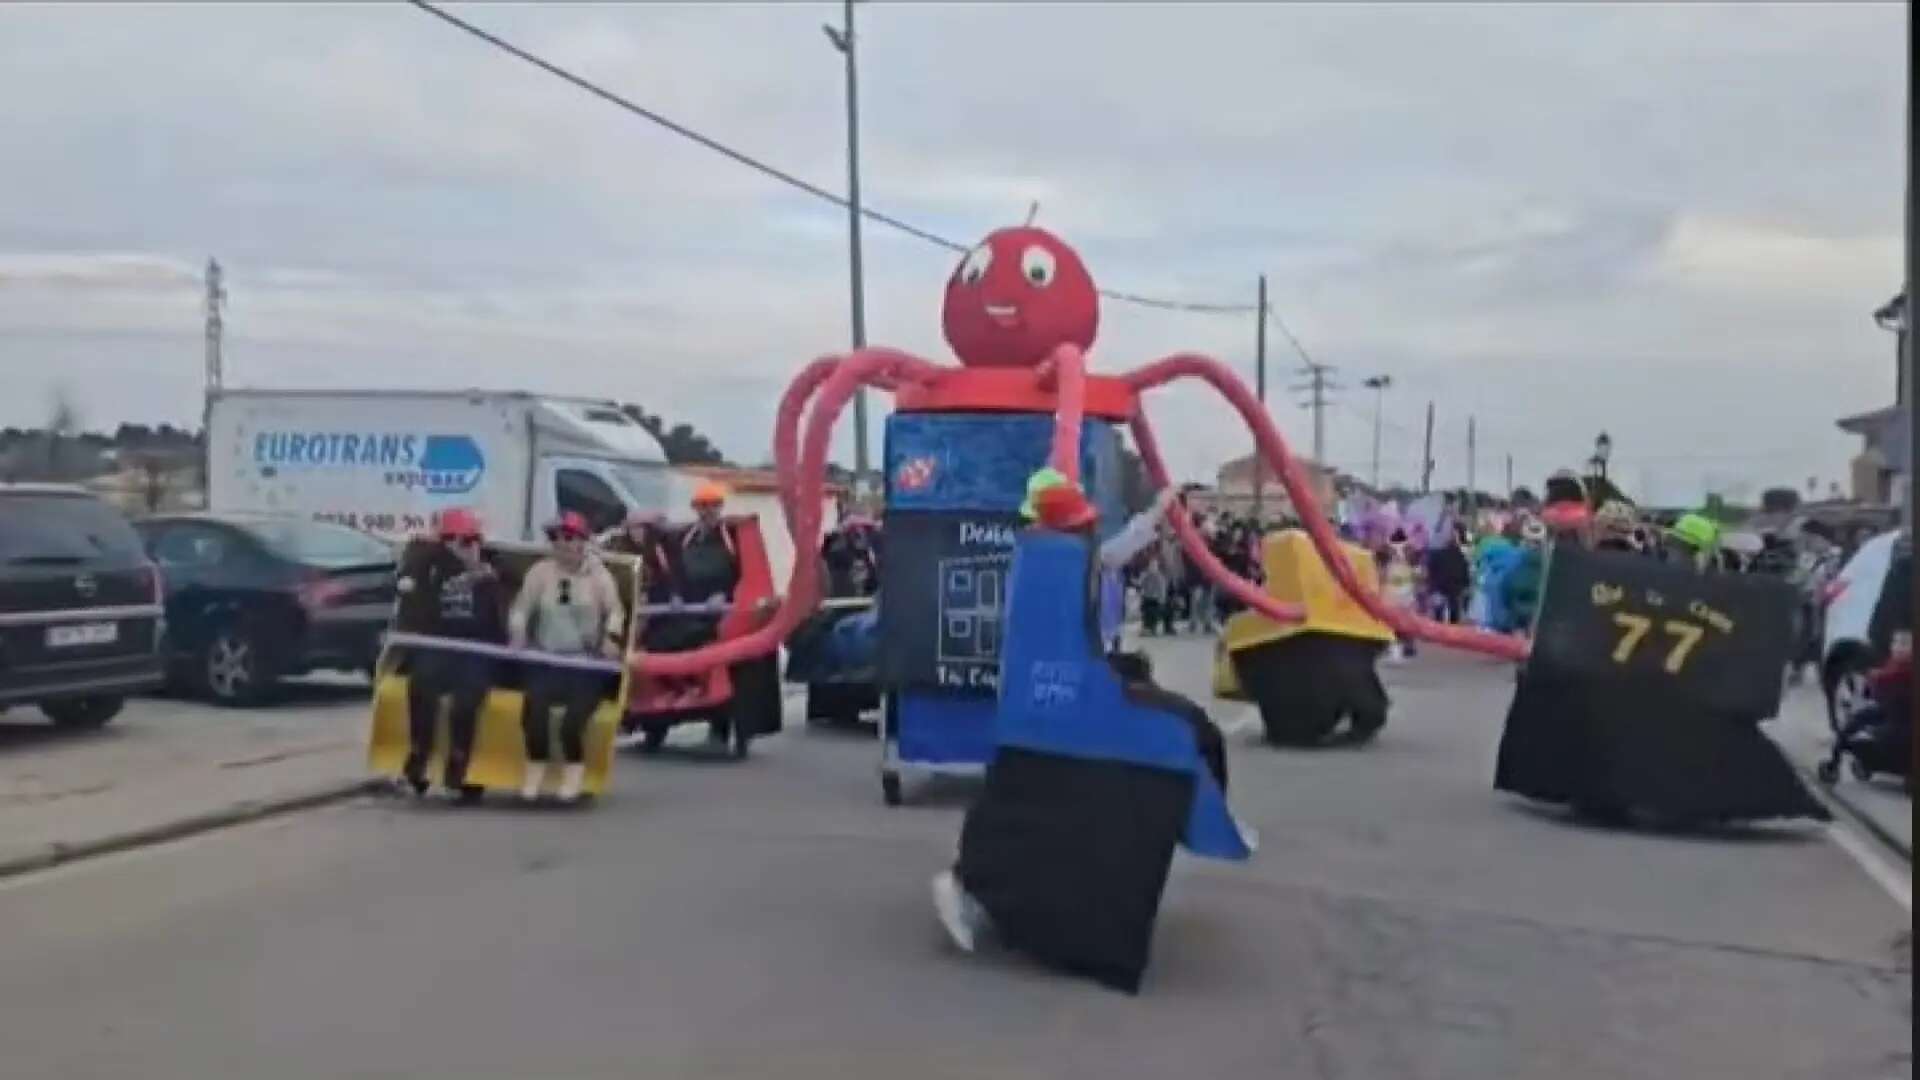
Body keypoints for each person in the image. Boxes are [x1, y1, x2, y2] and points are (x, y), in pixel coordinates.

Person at [510, 511, 624, 803]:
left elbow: (616, 612)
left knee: (572, 721)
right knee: (533, 713)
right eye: (557, 538)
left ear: (583, 542)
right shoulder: (540, 572)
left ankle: (574, 772)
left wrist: (611, 637)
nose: (563, 544)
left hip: (585, 663)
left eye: (570, 538)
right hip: (547, 658)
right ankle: (535, 769)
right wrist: (518, 632)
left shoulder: (599, 576)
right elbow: (521, 607)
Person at [397, 508, 506, 802]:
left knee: (467, 697)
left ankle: (459, 765)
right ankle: (418, 759)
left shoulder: (492, 567)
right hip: (440, 641)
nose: (468, 546)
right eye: (459, 540)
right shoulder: (430, 565)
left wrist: (486, 577)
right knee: (421, 684)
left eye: (473, 540)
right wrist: (427, 549)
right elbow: (409, 580)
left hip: (476, 646)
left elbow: (502, 614)